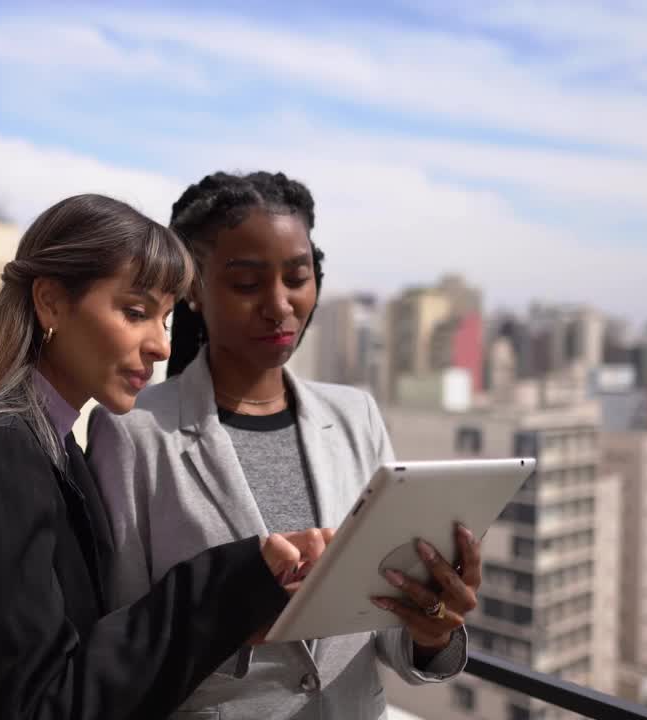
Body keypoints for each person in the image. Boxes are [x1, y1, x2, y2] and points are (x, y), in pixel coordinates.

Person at [0, 193, 332, 720]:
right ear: (51, 302)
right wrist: (224, 589)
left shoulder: (52, 446)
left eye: (167, 320)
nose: (160, 347)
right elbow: (40, 705)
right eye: (135, 312)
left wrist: (239, 611)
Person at [88, 172, 479, 719]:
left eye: (297, 277)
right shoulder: (132, 432)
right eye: (247, 285)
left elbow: (382, 626)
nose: (279, 305)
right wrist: (235, 621)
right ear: (194, 290)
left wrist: (431, 630)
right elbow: (124, 639)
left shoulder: (356, 416)